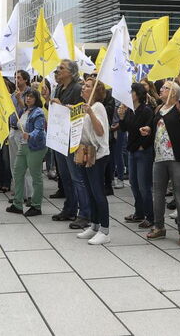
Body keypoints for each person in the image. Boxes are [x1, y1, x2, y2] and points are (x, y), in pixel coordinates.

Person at [146, 81, 180, 245]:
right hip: (159, 158)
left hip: (179, 159)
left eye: (165, 88)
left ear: (174, 93)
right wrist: (148, 130)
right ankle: (158, 227)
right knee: (158, 194)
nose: (161, 89)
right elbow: (158, 128)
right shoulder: (159, 109)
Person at [50, 60, 89, 230]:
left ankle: (85, 213)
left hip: (73, 140)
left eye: (61, 68)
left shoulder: (77, 88)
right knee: (64, 176)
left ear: (71, 72)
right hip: (60, 137)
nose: (57, 71)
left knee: (76, 178)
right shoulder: (59, 88)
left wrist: (62, 106)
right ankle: (69, 208)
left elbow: (80, 112)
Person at [74, 77, 111, 244]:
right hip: (85, 153)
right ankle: (95, 226)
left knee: (98, 192)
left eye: (87, 86)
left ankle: (105, 230)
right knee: (90, 191)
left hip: (98, 154)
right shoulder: (85, 107)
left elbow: (100, 131)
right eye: (84, 85)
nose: (83, 88)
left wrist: (90, 113)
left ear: (95, 91)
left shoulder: (98, 107)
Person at [8, 87, 47, 216]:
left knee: (36, 176)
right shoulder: (25, 111)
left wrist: (30, 135)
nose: (28, 98)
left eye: (31, 96)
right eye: (27, 96)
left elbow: (39, 129)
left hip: (34, 147)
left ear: (36, 99)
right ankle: (17, 203)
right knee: (18, 172)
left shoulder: (38, 112)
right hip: (23, 146)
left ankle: (36, 205)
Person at [122, 83, 155, 228]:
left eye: (132, 91)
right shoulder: (129, 110)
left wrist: (143, 145)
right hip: (132, 150)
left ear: (137, 94)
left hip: (142, 151)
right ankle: (139, 212)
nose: (130, 94)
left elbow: (151, 130)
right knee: (134, 184)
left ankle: (150, 216)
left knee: (144, 185)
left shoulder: (146, 110)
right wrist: (121, 116)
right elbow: (124, 129)